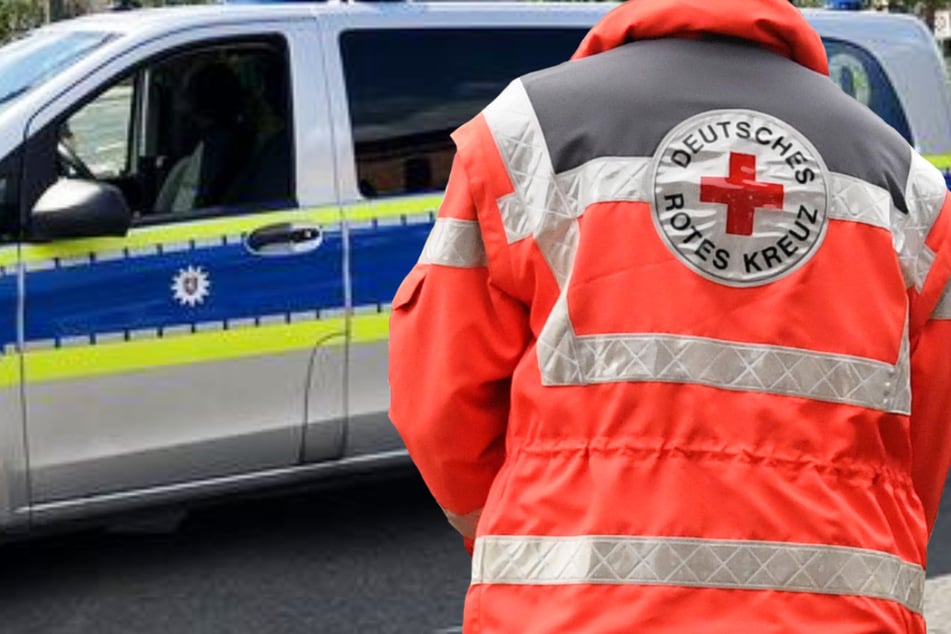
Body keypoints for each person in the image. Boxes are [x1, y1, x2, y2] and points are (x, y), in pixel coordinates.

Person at [388, 0, 951, 631]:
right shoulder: (905, 179)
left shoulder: (524, 135)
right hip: (837, 611)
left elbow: (437, 400)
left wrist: (521, 522)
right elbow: (921, 440)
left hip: (570, 609)